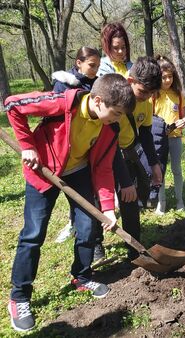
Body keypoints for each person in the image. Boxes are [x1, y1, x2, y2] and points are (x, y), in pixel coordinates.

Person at [5, 74, 136, 332]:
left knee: (88, 227)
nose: (117, 118)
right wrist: (27, 146)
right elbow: (12, 105)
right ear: (98, 101)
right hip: (43, 170)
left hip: (77, 172)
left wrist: (108, 206)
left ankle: (82, 276)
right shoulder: (62, 103)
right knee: (33, 234)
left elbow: (103, 168)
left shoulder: (109, 128)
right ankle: (19, 297)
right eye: (116, 112)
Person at [94, 56, 163, 261]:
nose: (146, 97)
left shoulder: (145, 101)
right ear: (131, 81)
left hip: (127, 153)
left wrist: (154, 163)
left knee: (130, 201)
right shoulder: (114, 98)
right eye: (143, 92)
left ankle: (134, 248)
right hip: (103, 155)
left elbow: (146, 133)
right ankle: (96, 244)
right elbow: (110, 143)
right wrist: (124, 181)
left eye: (151, 93)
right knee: (99, 201)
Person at [51, 46, 101, 243]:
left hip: (90, 147)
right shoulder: (63, 84)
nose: (95, 69)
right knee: (74, 196)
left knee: (91, 197)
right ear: (78, 63)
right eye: (91, 65)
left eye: (97, 65)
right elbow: (56, 116)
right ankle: (73, 223)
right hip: (66, 150)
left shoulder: (96, 84)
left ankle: (96, 242)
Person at [152, 55, 185, 214]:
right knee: (160, 171)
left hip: (175, 138)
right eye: (164, 77)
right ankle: (162, 203)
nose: (167, 80)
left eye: (170, 76)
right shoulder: (153, 95)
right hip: (159, 140)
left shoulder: (178, 94)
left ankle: (180, 200)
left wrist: (184, 121)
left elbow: (184, 115)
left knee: (177, 169)